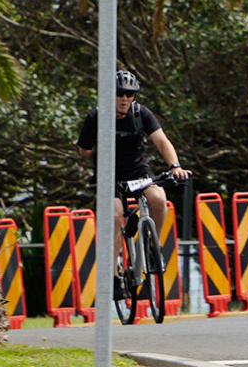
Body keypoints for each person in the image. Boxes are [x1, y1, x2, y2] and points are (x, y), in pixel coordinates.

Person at [76, 69, 189, 287]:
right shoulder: (96, 117)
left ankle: (152, 246)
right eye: (119, 93)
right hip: (109, 174)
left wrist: (175, 166)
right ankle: (114, 275)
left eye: (130, 94)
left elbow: (162, 141)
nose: (125, 98)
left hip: (138, 171)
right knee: (115, 216)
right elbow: (84, 150)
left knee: (159, 200)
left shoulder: (141, 114)